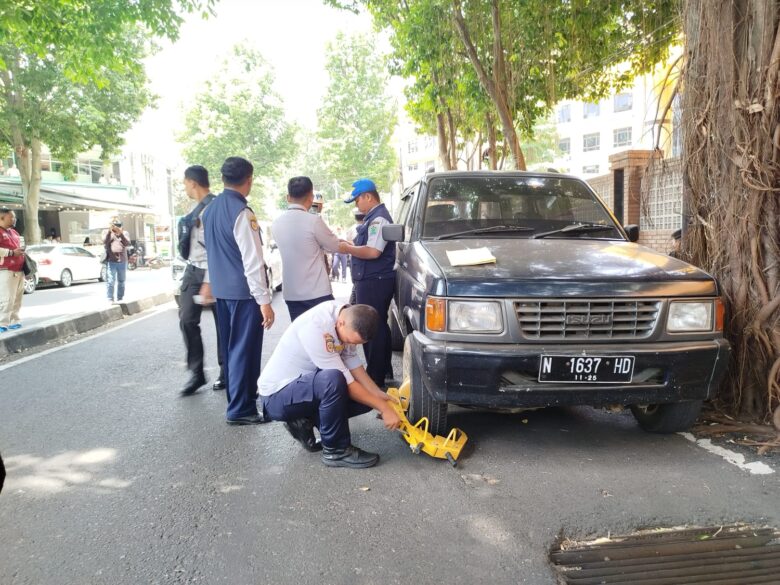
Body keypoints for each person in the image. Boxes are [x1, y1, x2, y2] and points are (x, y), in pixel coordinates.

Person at [258, 301, 401, 468]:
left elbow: (351, 360)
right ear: (340, 323)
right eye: (350, 340)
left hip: (300, 388)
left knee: (367, 399)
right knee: (333, 380)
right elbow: (345, 382)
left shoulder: (346, 318)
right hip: (276, 397)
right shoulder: (317, 326)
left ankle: (303, 421)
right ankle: (336, 450)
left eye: (356, 344)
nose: (352, 345)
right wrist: (384, 408)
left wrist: (378, 394)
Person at [201, 156, 275, 425]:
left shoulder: (208, 211)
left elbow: (209, 253)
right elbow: (253, 261)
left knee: (232, 350)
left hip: (222, 293)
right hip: (243, 295)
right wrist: (264, 301)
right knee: (245, 351)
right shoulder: (243, 213)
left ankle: (238, 400)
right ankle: (241, 408)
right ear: (249, 180)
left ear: (222, 179)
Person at [339, 178, 396, 388]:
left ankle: (375, 376)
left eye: (357, 200)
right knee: (378, 325)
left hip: (375, 280)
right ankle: (382, 370)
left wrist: (348, 249)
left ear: (368, 197)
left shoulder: (379, 220)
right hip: (372, 279)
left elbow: (373, 251)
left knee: (372, 327)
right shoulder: (373, 218)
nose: (356, 205)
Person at [177, 165, 225, 396]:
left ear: (192, 182)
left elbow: (217, 248)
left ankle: (225, 371)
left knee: (222, 324)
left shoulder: (215, 208)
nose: (185, 187)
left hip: (213, 270)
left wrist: (209, 280)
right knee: (187, 319)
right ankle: (197, 372)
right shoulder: (191, 209)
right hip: (192, 270)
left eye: (185, 183)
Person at [271, 176, 342, 322]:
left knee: (301, 335)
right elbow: (334, 246)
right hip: (317, 292)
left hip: (292, 293)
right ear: (311, 197)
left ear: (288, 197)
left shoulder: (276, 223)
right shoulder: (313, 221)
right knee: (326, 335)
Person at [0, 208, 25, 333]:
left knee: (17, 298)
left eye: (14, 217)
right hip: (6, 269)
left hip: (19, 269)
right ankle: (2, 322)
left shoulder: (14, 232)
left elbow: (19, 248)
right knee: (7, 298)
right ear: (2, 218)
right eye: (11, 217)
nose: (14, 219)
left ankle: (14, 320)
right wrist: (10, 252)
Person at [103, 219, 130, 302]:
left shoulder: (125, 233)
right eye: (115, 226)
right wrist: (109, 232)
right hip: (111, 261)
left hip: (122, 260)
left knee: (121, 281)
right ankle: (110, 298)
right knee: (110, 281)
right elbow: (105, 242)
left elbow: (126, 243)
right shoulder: (108, 233)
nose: (116, 227)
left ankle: (120, 298)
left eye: (118, 226)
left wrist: (120, 234)